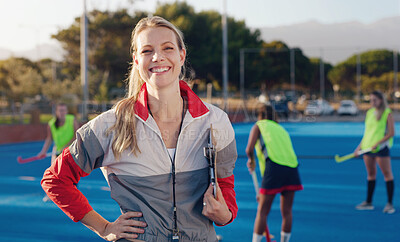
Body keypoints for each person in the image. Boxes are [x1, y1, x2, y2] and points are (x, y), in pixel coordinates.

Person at [41, 16, 238, 242]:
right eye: (147, 51)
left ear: (181, 55)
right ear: (136, 60)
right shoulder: (110, 125)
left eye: (167, 48)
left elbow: (225, 185)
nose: (158, 57)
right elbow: (55, 179)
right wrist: (103, 227)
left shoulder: (216, 121)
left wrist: (225, 214)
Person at [246, 105, 303, 242]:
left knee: (263, 211)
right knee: (287, 211)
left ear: (260, 115)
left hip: (274, 167)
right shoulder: (281, 129)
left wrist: (251, 160)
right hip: (292, 168)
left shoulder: (259, 125)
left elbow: (249, 149)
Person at [354, 90, 395, 214]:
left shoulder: (387, 113)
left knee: (387, 174)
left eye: (374, 100)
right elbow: (367, 133)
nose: (372, 102)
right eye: (370, 100)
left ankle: (389, 204)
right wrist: (359, 147)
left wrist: (378, 143)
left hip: (380, 149)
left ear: (381, 100)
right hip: (367, 148)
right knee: (371, 174)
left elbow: (391, 133)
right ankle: (368, 202)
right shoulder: (369, 113)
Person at [38, 103, 78, 202]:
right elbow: (49, 139)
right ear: (56, 112)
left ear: (67, 111)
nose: (62, 113)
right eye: (60, 110)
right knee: (53, 175)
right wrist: (43, 151)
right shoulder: (51, 124)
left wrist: (66, 146)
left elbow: (76, 135)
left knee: (71, 175)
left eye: (64, 110)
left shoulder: (72, 120)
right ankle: (51, 194)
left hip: (71, 151)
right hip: (58, 151)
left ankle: (72, 195)